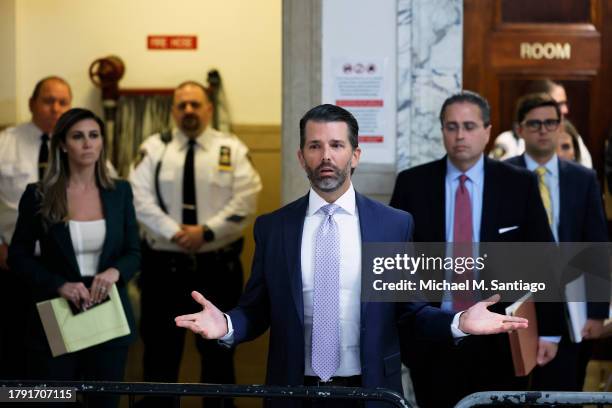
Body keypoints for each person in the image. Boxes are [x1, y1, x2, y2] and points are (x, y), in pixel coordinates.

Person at [174, 104, 529, 408]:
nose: (325, 156)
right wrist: (228, 325)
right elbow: (257, 308)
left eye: (336, 145)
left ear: (355, 155)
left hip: (371, 392)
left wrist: (459, 321)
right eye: (314, 146)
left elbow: (410, 311)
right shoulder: (274, 228)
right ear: (301, 157)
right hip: (294, 393)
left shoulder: (393, 226)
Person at [389, 91, 565, 407]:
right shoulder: (412, 184)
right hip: (435, 336)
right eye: (451, 126)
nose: (460, 135)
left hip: (501, 339)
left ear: (487, 131)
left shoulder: (519, 183)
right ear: (442, 130)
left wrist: (550, 332)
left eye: (469, 126)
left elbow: (544, 260)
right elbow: (397, 264)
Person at [129, 81, 261, 408]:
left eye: (195, 104)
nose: (188, 110)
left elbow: (246, 198)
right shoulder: (154, 148)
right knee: (160, 357)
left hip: (217, 269)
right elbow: (138, 198)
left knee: (219, 356)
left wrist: (207, 232)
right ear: (173, 110)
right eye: (182, 105)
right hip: (163, 270)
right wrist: (175, 232)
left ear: (209, 109)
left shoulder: (230, 149)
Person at [8, 108, 140, 408]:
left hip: (108, 313)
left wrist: (114, 273)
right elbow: (18, 256)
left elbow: (134, 252)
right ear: (63, 144)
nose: (88, 143)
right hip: (57, 313)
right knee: (55, 399)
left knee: (104, 402)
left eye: (94, 136)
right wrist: (59, 284)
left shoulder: (120, 191)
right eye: (78, 136)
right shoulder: (39, 194)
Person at [506, 92, 609, 391]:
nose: (542, 129)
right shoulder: (501, 175)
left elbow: (597, 245)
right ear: (520, 129)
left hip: (571, 303)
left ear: (560, 126)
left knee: (565, 388)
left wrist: (597, 312)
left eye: (550, 123)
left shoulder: (583, 178)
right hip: (517, 301)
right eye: (534, 123)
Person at [0, 76, 72, 378]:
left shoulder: (82, 145)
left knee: (58, 352)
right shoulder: (6, 143)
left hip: (63, 272)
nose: (55, 108)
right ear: (32, 103)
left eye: (62, 102)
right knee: (12, 346)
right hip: (12, 265)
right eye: (47, 100)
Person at [490, 79, 592, 168]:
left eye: (565, 103)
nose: (565, 110)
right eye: (558, 104)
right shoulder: (508, 142)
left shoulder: (573, 137)